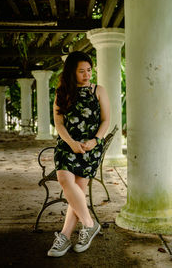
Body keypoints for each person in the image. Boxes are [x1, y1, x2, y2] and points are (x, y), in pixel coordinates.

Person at [48, 51, 110, 257]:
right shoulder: (62, 92)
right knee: (65, 179)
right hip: (68, 144)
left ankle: (64, 237)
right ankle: (89, 224)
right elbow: (58, 123)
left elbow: (105, 120)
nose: (87, 75)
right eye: (81, 71)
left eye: (89, 70)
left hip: (90, 147)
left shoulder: (98, 91)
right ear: (71, 73)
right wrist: (71, 143)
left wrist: (96, 140)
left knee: (77, 194)